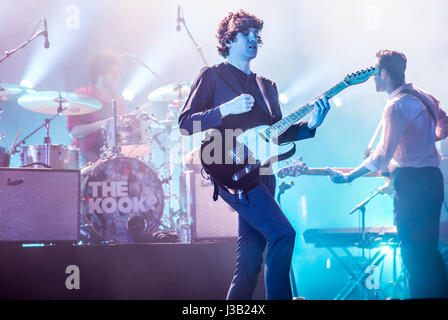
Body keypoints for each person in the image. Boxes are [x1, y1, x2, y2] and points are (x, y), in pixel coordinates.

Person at [178, 10, 330, 300]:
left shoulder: (267, 86)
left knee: (248, 262)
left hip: (263, 174)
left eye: (256, 35)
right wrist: (224, 110)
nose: (253, 39)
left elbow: (277, 134)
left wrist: (311, 125)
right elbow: (186, 125)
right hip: (229, 170)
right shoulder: (212, 77)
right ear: (228, 40)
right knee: (284, 234)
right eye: (245, 34)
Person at [328, 49, 448, 299]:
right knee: (429, 252)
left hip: (412, 185)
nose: (372, 78)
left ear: (384, 74)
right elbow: (444, 127)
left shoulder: (395, 107)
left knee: (414, 254)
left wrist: (349, 176)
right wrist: (423, 140)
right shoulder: (424, 97)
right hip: (432, 181)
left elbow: (381, 156)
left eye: (374, 72)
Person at [67, 48, 126, 165]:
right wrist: (105, 123)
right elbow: (74, 132)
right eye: (113, 73)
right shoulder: (80, 96)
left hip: (112, 154)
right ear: (100, 73)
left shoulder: (119, 101)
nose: (117, 77)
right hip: (84, 152)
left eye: (119, 74)